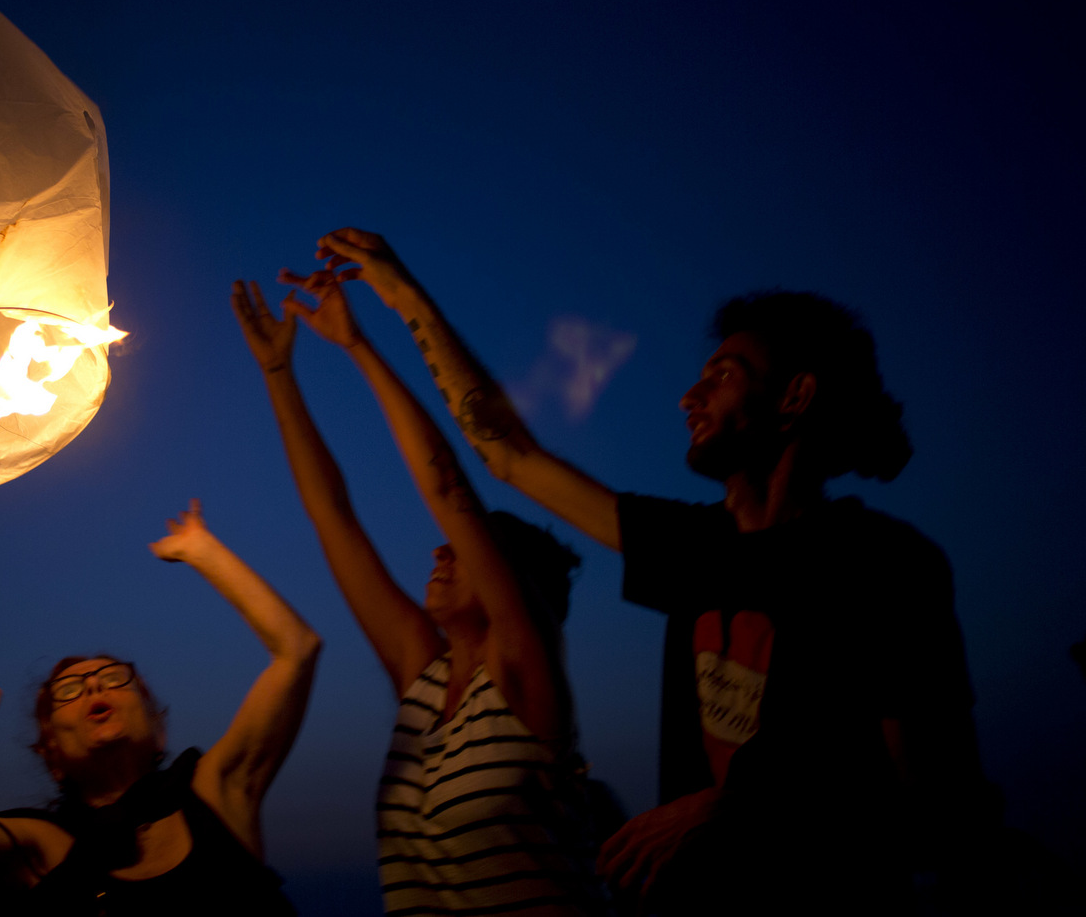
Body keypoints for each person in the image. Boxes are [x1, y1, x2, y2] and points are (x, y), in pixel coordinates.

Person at [305, 228, 989, 915]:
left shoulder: (887, 563)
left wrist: (740, 802)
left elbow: (930, 796)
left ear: (796, 396)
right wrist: (405, 301)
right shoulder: (693, 548)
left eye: (724, 373)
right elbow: (509, 455)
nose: (691, 394)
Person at [232, 275, 610, 916]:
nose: (439, 552)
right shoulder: (425, 680)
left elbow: (450, 492)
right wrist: (277, 371)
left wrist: (358, 346)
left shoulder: (523, 673)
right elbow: (334, 517)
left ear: (507, 581)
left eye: (462, 550)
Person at [0, 500, 320, 915]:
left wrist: (202, 550)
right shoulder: (44, 845)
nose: (94, 683)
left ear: (159, 728)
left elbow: (296, 649)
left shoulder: (216, 792)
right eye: (69, 690)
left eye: (115, 678)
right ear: (51, 753)